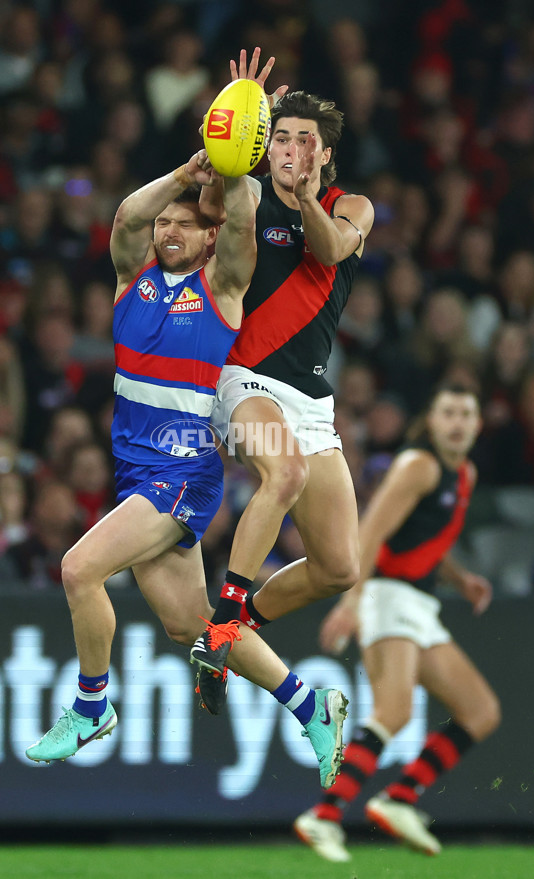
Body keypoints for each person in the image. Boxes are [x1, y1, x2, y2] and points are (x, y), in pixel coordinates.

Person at [25, 137, 348, 789]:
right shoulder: (131, 280)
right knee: (188, 625)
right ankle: (315, 706)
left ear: (209, 239)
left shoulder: (223, 286)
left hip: (184, 469)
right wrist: (179, 175)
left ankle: (91, 704)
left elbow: (237, 230)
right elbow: (124, 220)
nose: (169, 229)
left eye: (184, 222)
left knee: (79, 569)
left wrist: (227, 173)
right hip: (135, 470)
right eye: (165, 221)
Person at [190, 49, 374, 707]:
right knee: (285, 473)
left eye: (306, 141)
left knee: (339, 568)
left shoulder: (350, 206)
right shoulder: (247, 191)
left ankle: (237, 627)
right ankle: (220, 620)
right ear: (267, 148)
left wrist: (304, 203)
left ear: (325, 155)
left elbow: (328, 249)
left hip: (312, 403)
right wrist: (234, 125)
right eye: (283, 137)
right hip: (244, 381)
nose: (293, 149)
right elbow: (211, 197)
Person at [294, 384, 501, 861]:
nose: (456, 422)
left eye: (465, 414)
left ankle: (400, 797)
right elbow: (371, 533)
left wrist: (461, 578)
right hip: (387, 596)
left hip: (419, 604)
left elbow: (428, 535)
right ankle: (323, 815)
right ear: (431, 421)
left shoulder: (463, 473)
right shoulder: (418, 466)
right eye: (447, 412)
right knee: (395, 711)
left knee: (481, 711)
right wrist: (351, 603)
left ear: (477, 425)